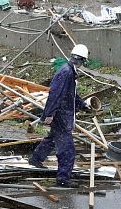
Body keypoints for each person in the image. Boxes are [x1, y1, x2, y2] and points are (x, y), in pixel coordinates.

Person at [28, 44, 91, 187]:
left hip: (62, 114)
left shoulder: (69, 71)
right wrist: (49, 114)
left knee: (51, 139)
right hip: (61, 116)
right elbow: (55, 94)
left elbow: (71, 94)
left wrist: (82, 104)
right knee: (67, 149)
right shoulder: (66, 72)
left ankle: (35, 159)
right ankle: (63, 178)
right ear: (82, 60)